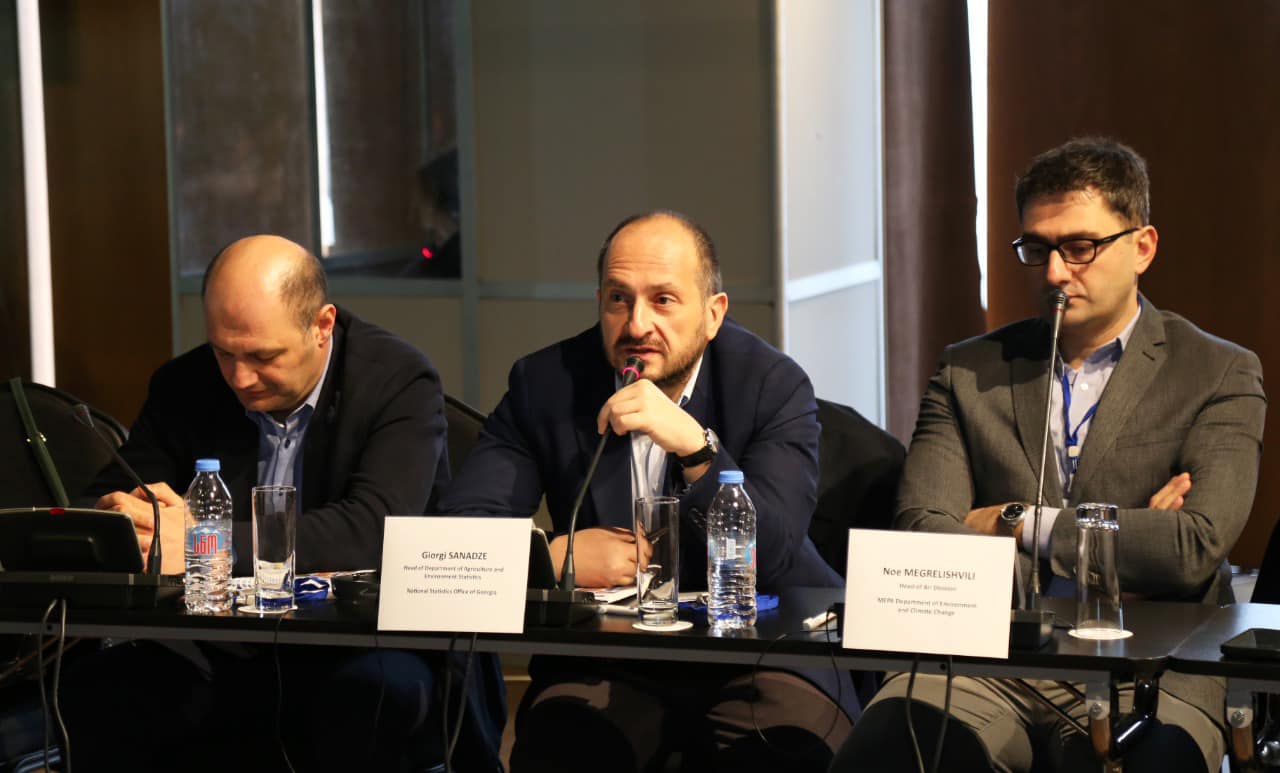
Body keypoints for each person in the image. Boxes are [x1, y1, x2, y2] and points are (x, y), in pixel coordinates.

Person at [832, 138, 1266, 773]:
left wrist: (1017, 523)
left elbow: (1192, 547)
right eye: (1038, 249)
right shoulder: (968, 371)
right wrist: (1125, 539)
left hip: (1153, 663)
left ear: (1142, 248)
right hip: (989, 657)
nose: (1056, 273)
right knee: (886, 751)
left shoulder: (1218, 371)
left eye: (1081, 247)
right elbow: (923, 535)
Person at [436, 211, 858, 772]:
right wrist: (553, 558)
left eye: (663, 300)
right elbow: (463, 532)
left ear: (713, 313)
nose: (636, 324)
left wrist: (697, 450)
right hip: (611, 655)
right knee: (562, 751)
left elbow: (775, 549)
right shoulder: (546, 384)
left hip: (763, 650)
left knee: (784, 755)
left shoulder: (771, 385)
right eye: (619, 299)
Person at [69, 235, 504, 772]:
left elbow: (370, 529)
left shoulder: (397, 379)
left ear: (322, 326)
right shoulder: (186, 383)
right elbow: (104, 500)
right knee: (104, 689)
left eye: (263, 356)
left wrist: (208, 543)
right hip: (222, 638)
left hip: (362, 635)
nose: (239, 377)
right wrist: (131, 518)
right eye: (223, 352)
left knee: (365, 699)